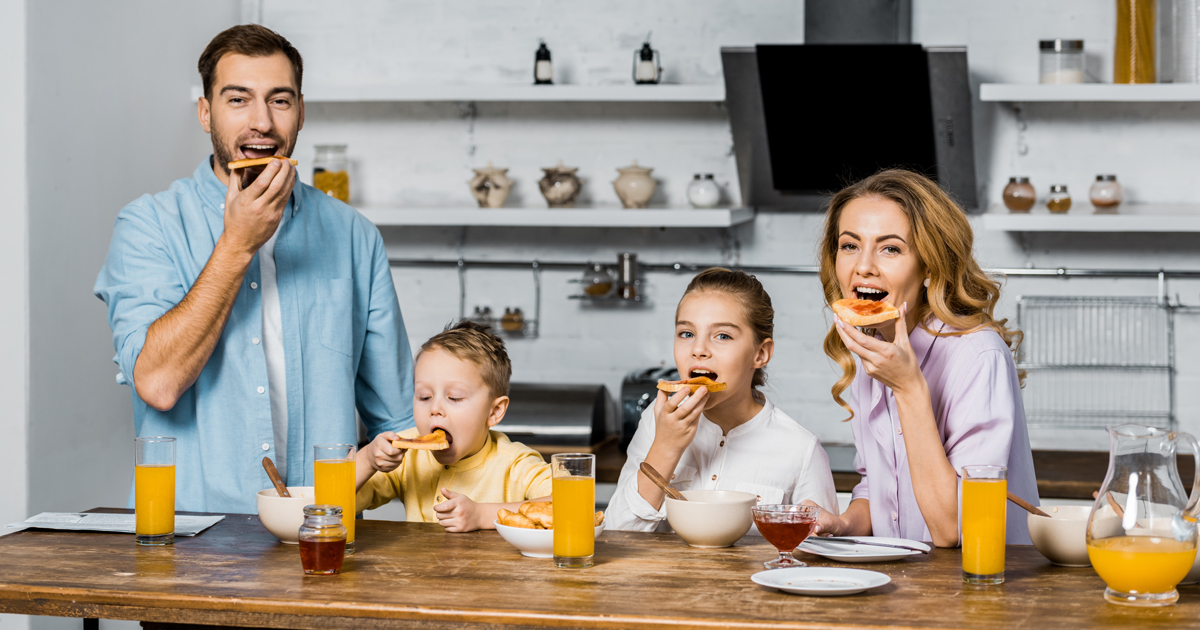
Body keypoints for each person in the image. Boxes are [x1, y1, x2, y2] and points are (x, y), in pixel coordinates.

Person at [94, 25, 414, 513]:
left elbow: (398, 422)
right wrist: (237, 245)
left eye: (279, 100)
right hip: (190, 543)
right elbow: (157, 384)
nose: (261, 122)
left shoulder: (354, 236)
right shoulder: (148, 225)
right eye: (238, 99)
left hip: (321, 534)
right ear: (206, 113)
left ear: (301, 112)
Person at [807, 169, 1039, 547]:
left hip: (981, 592)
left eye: (890, 248)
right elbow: (880, 488)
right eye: (849, 245)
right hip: (904, 591)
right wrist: (843, 524)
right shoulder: (877, 344)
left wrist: (909, 387)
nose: (863, 266)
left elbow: (955, 528)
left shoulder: (979, 355)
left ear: (929, 265)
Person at [608, 268, 839, 533]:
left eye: (723, 336)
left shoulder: (801, 450)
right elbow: (618, 537)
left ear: (760, 354)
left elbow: (820, 557)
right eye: (686, 333)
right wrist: (665, 447)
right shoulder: (657, 419)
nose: (698, 350)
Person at [354, 321, 552, 532]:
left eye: (454, 397)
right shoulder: (408, 457)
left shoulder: (515, 463)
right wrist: (367, 460)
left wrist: (482, 515)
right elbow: (326, 505)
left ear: (494, 412)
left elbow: (574, 505)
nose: (435, 408)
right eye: (424, 396)